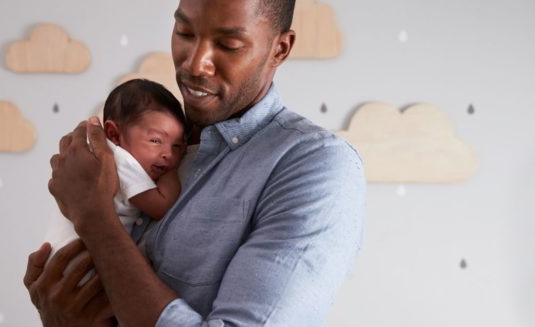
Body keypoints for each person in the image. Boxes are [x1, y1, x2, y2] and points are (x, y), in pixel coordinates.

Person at [24, 0, 366, 326]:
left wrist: (93, 217)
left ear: (280, 48)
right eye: (185, 33)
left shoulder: (316, 165)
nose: (194, 64)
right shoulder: (151, 142)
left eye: (229, 44)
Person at [45, 79, 187, 265]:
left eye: (177, 146)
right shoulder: (121, 161)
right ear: (114, 134)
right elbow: (161, 206)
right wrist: (172, 172)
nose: (168, 154)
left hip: (64, 256)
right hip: (78, 260)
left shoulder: (103, 153)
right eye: (155, 140)